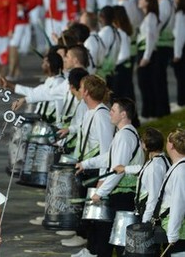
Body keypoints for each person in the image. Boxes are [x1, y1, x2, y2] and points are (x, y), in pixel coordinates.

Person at [75, 97, 144, 257]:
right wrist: (86, 164)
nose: (109, 114)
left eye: (113, 111)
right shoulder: (123, 133)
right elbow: (109, 157)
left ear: (123, 114)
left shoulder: (125, 136)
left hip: (124, 194)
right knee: (107, 234)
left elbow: (117, 170)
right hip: (120, 193)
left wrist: (101, 192)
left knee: (121, 241)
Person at [114, 127, 170, 223]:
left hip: (149, 215)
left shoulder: (154, 167)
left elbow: (153, 196)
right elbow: (142, 168)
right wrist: (124, 168)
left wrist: (145, 220)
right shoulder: (161, 160)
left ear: (145, 145)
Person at [154, 129, 185, 256]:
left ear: (171, 145)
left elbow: (178, 204)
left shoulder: (180, 171)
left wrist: (172, 234)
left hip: (178, 233)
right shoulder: (178, 167)